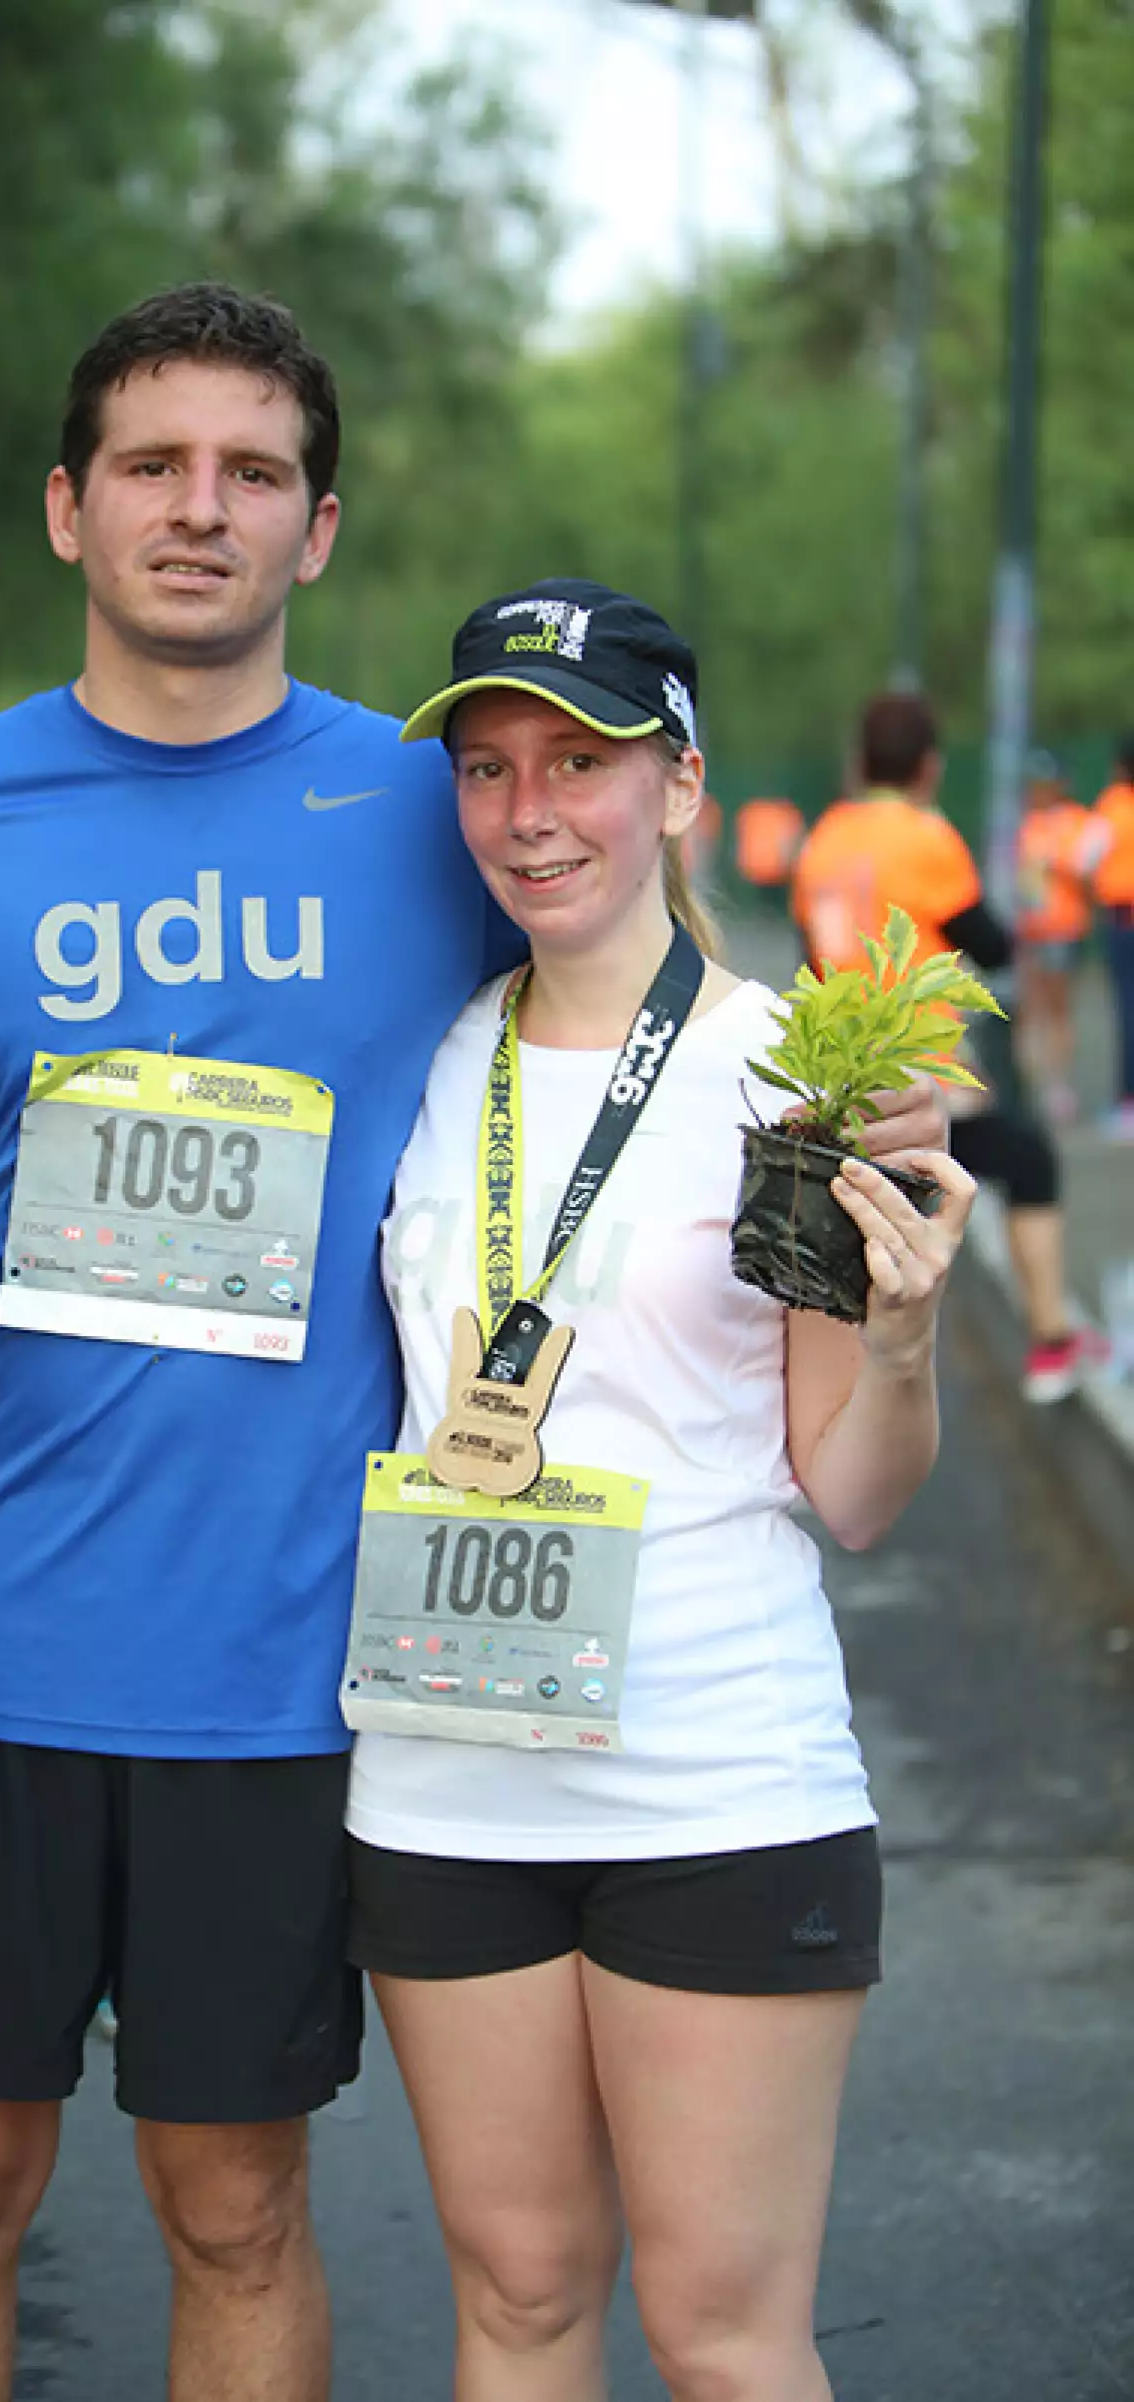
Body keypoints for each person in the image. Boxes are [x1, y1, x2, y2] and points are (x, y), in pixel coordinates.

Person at [0, 287, 943, 2402]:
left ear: (313, 529)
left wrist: (843, 1106)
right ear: (65, 506)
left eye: (252, 473)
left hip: (304, 1668)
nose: (197, 509)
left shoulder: (425, 808)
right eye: (148, 466)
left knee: (235, 2209)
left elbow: (630, 991)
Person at [343, 579, 975, 2402]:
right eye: (487, 767)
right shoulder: (429, 1060)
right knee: (521, 2299)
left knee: (720, 2333)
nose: (529, 809)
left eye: (581, 762)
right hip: (448, 1768)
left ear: (683, 785)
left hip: (713, 1769)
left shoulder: (790, 1077)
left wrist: (914, 1340)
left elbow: (852, 1492)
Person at [792, 693, 1103, 1405]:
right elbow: (988, 941)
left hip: (841, 1077)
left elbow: (811, 954)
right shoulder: (925, 838)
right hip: (918, 1077)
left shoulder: (825, 841)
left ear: (860, 761)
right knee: (1027, 1158)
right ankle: (1052, 1339)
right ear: (929, 767)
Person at [1013, 749, 1111, 1125]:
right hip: (1030, 928)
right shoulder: (1029, 824)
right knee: (1030, 1009)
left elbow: (1087, 874)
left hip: (1062, 927)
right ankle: (1033, 1084)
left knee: (1056, 1009)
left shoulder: (1077, 823)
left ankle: (1058, 1086)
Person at [1091, 733, 1134, 1140]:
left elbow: (1085, 857)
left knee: (1128, 1008)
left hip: (1125, 918)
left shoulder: (1115, 805)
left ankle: (1129, 1100)